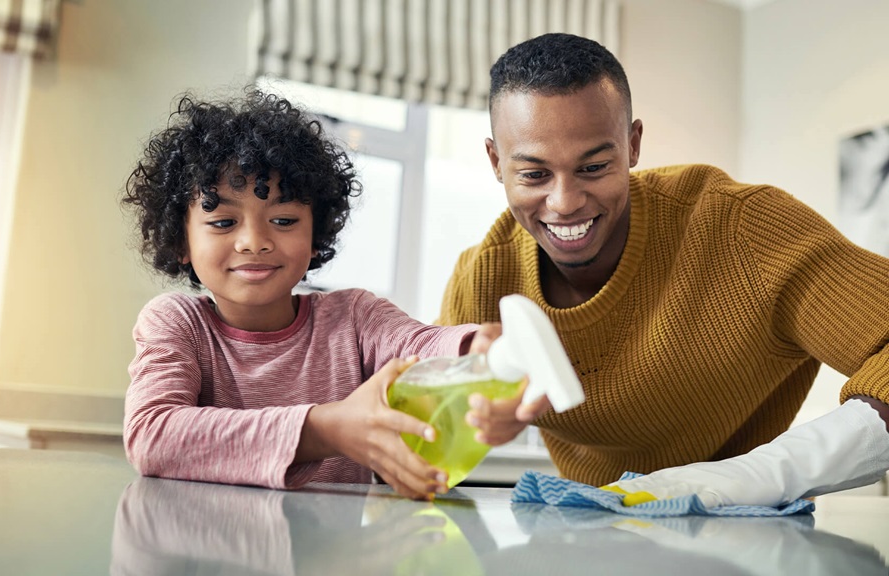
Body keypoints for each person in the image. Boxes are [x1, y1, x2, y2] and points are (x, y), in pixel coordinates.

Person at [438, 33, 889, 507]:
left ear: (632, 145)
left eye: (593, 167)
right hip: (588, 529)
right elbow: (428, 444)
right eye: (534, 174)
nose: (565, 202)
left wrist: (758, 475)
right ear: (495, 161)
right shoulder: (482, 278)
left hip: (745, 534)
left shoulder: (742, 228)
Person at [120, 88, 509, 501]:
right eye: (222, 222)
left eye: (284, 219)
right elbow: (151, 434)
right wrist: (327, 428)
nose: (254, 241)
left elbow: (419, 345)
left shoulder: (353, 317)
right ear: (181, 240)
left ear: (316, 236)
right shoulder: (177, 322)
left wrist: (477, 348)